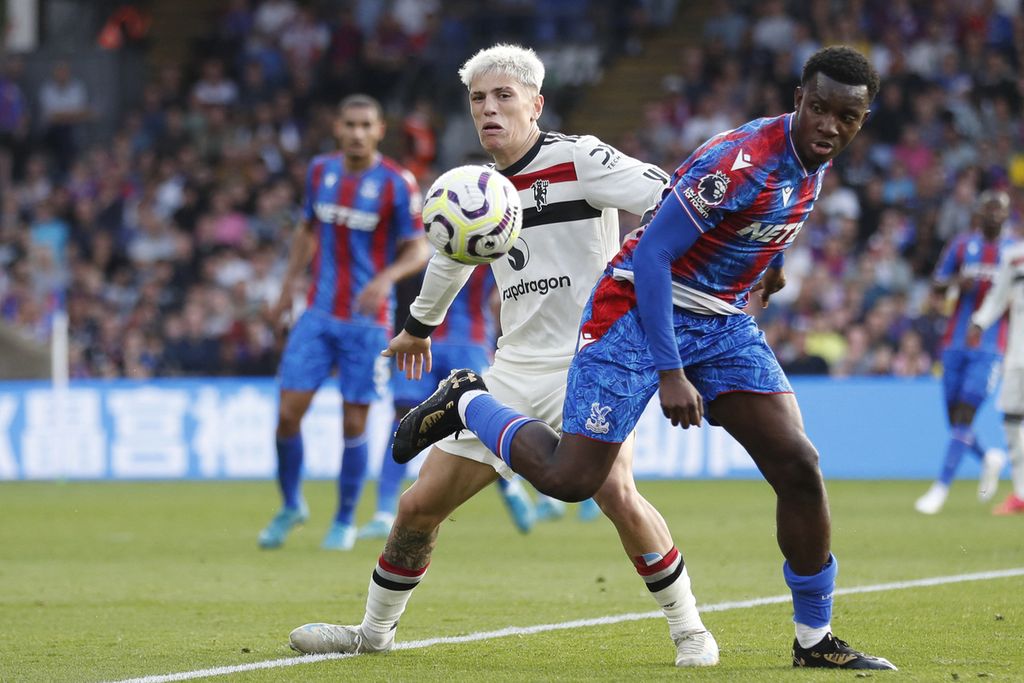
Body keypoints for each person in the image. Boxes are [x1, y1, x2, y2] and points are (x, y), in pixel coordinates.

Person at [389, 46, 896, 670]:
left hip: (720, 319)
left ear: (861, 120)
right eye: (818, 109)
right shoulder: (740, 162)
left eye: (845, 117)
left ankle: (814, 641)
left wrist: (771, 267)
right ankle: (467, 399)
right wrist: (671, 371)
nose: (829, 126)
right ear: (799, 100)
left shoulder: (806, 165)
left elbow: (722, 218)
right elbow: (653, 252)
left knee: (798, 463)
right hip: (630, 312)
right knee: (575, 482)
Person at [289, 43, 720, 668]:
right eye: (477, 100)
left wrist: (650, 261)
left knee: (615, 492)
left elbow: (667, 194)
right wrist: (417, 326)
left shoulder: (578, 158)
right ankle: (373, 634)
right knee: (418, 506)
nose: (488, 110)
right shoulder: (478, 187)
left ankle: (690, 632)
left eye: (503, 97)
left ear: (535, 104)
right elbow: (450, 255)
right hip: (514, 370)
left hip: (590, 361)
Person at [257, 94, 429, 551]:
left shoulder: (397, 183)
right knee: (287, 415)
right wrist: (284, 291)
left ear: (379, 130)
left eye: (365, 125)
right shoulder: (321, 172)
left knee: (354, 424)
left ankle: (344, 521)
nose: (356, 132)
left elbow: (420, 248)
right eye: (349, 124)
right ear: (338, 127)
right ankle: (291, 504)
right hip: (317, 314)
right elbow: (306, 232)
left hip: (367, 324)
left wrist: (386, 278)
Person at [357, 267, 539, 539]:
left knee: (478, 422)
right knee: (403, 416)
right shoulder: (422, 236)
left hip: (471, 340)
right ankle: (383, 513)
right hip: (424, 338)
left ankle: (510, 489)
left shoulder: (496, 233)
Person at [914, 190, 1013, 515]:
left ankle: (940, 488)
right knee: (954, 421)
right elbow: (937, 285)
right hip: (954, 343)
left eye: (999, 210)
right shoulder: (961, 245)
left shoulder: (1014, 253)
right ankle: (989, 458)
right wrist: (959, 281)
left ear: (1007, 215)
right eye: (988, 209)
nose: (993, 215)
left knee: (965, 416)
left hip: (990, 347)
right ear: (979, 213)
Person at [967, 191, 1024, 515]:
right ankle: (1021, 493)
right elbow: (998, 297)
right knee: (1012, 421)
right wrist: (978, 323)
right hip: (1018, 354)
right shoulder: (1014, 257)